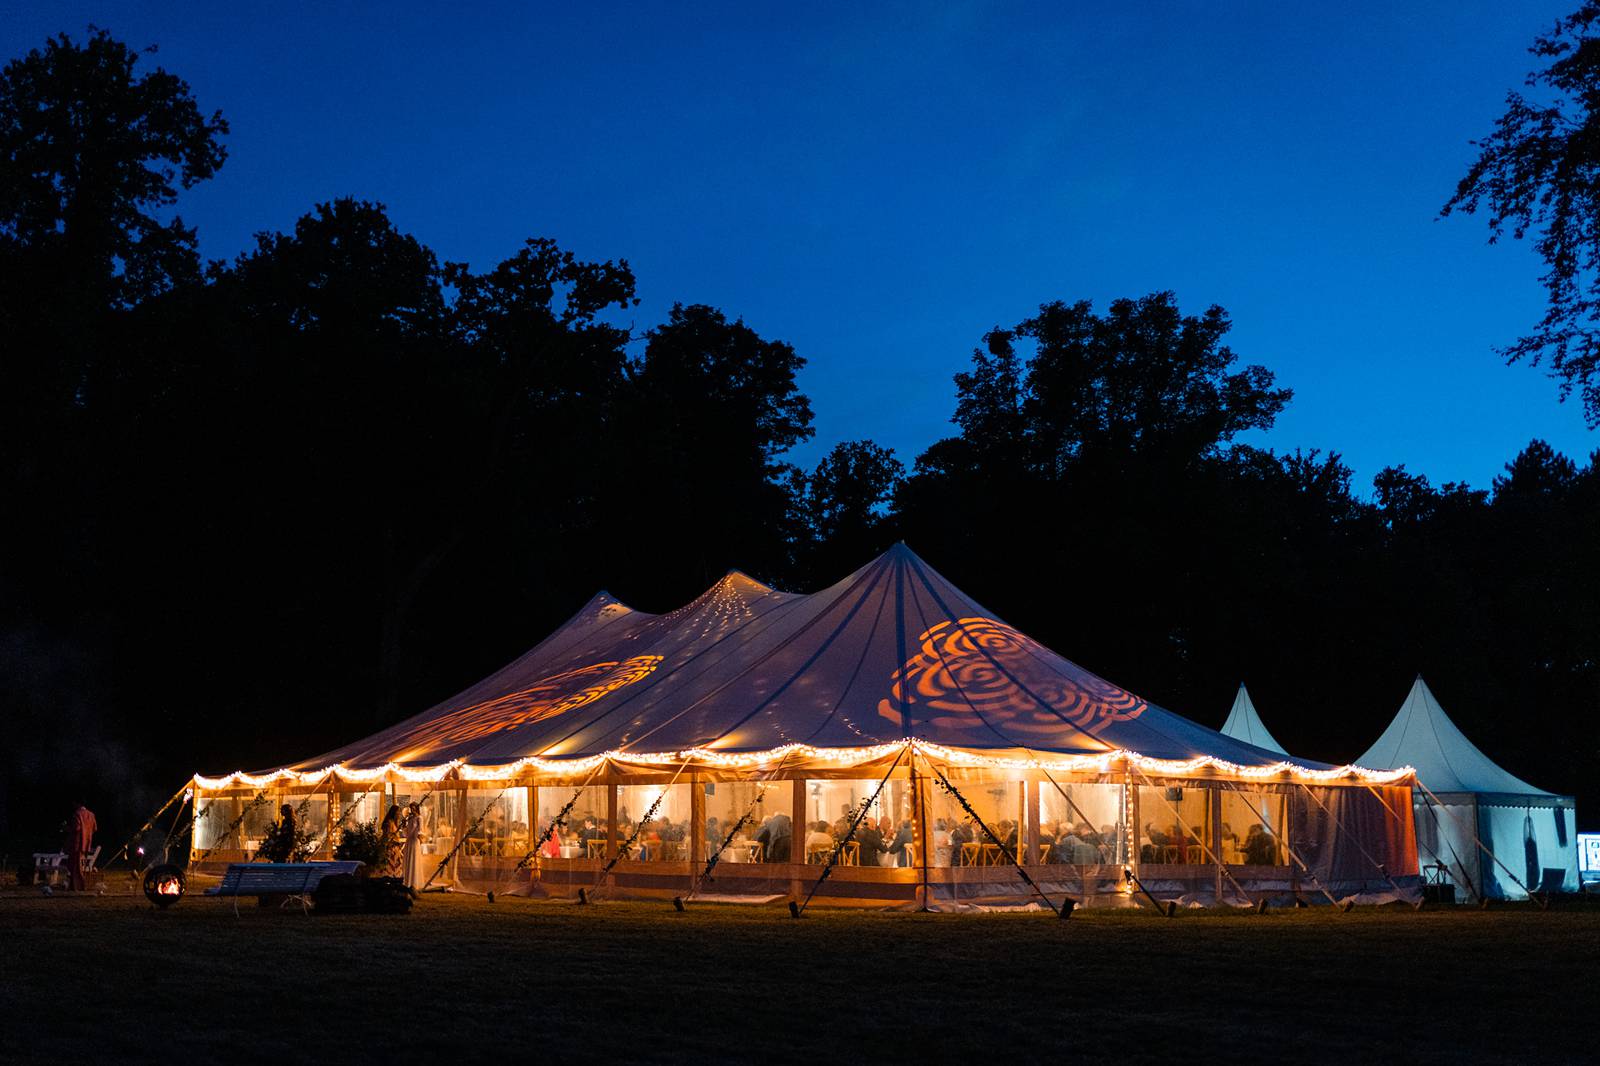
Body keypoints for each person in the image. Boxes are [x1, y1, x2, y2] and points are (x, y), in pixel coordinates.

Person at [65, 803, 96, 891]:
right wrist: (87, 834)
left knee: (75, 866)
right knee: (79, 866)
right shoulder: (91, 815)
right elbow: (94, 828)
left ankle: (79, 886)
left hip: (77, 844)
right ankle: (73, 886)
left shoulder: (77, 814)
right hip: (86, 844)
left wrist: (67, 828)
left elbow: (77, 828)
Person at [402, 802, 427, 889]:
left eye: (413, 808)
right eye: (411, 808)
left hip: (415, 841)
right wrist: (404, 824)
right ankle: (407, 881)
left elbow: (420, 830)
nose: (412, 810)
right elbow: (406, 833)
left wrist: (420, 837)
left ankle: (414, 882)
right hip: (409, 841)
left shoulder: (419, 818)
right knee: (408, 860)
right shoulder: (409, 818)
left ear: (416, 808)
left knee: (414, 860)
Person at [380, 804, 404, 877]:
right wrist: (396, 842)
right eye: (398, 813)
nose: (399, 814)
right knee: (390, 865)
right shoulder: (389, 823)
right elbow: (388, 836)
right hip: (390, 848)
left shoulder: (394, 823)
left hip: (395, 848)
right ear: (394, 813)